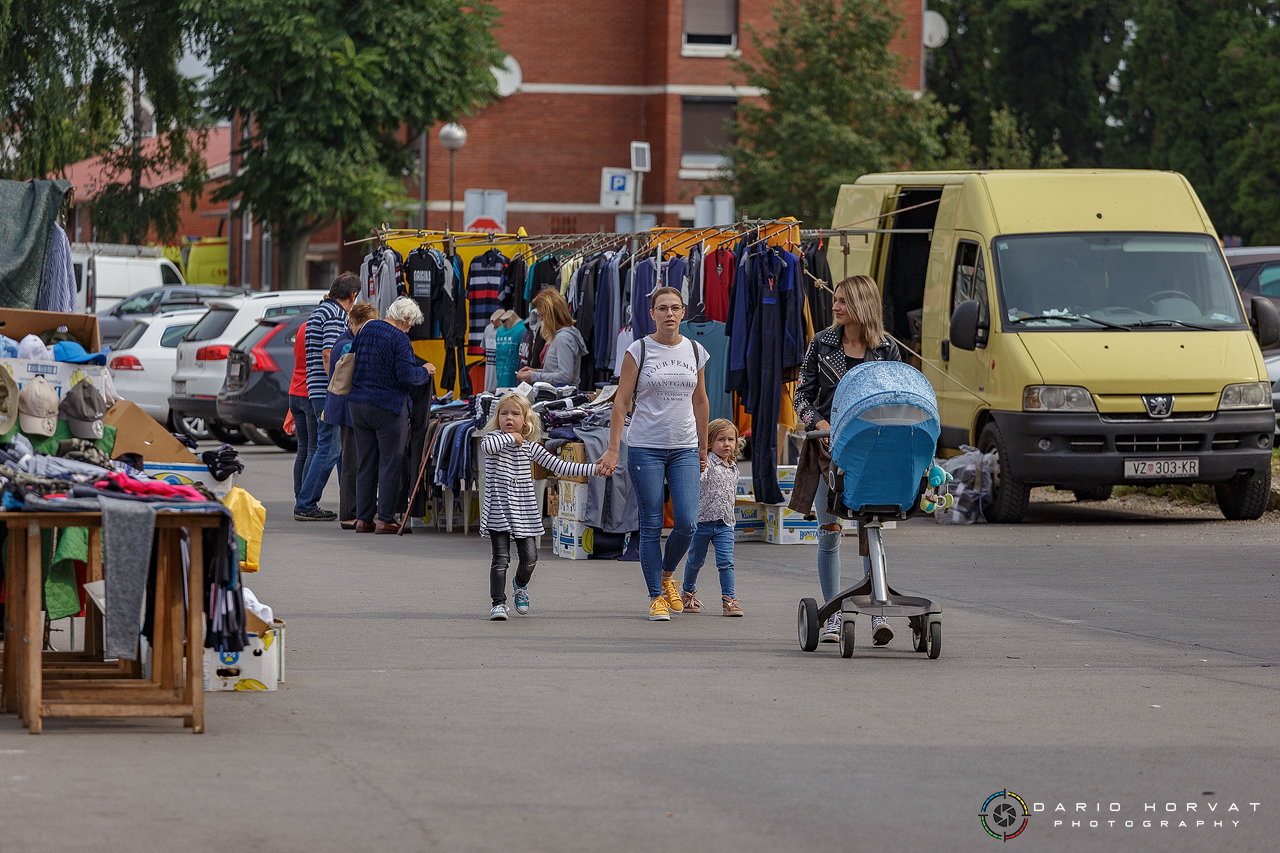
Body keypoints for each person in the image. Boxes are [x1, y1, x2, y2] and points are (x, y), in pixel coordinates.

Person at [793, 274, 901, 645]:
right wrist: (820, 422)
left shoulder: (886, 349)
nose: (835, 306)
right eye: (835, 300)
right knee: (830, 533)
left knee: (871, 532)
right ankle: (834, 613)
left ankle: (878, 612)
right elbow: (801, 398)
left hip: (874, 450)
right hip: (828, 449)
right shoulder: (821, 343)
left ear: (861, 305)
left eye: (842, 301)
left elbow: (897, 395)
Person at [596, 287, 710, 621]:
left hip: (685, 447)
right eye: (662, 309)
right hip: (645, 446)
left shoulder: (695, 350)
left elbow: (700, 400)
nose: (669, 314)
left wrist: (703, 447)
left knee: (688, 522)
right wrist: (614, 448)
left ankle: (666, 574)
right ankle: (655, 596)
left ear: (684, 312)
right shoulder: (639, 349)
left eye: (675, 308)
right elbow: (621, 401)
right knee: (651, 523)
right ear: (652, 313)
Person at [479, 392, 598, 620]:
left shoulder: (531, 447)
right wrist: (512, 438)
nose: (509, 418)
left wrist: (594, 469)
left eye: (515, 414)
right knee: (500, 559)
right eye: (504, 414)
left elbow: (562, 467)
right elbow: (488, 447)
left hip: (524, 510)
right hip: (499, 511)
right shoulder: (494, 439)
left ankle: (520, 585)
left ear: (526, 419)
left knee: (530, 558)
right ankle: (498, 603)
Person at [348, 297, 436, 533]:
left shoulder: (366, 328)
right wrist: (425, 371)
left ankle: (363, 518)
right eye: (410, 325)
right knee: (390, 462)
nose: (409, 329)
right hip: (387, 406)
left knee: (366, 462)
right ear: (405, 319)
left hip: (358, 403)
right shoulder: (399, 338)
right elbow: (407, 376)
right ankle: (385, 518)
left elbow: (353, 358)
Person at [295, 272, 361, 521]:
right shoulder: (335, 315)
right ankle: (306, 503)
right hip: (327, 389)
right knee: (330, 448)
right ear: (353, 296)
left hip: (314, 388)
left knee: (338, 449)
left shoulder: (318, 313)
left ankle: (350, 503)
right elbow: (328, 355)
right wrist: (337, 386)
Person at [681, 418, 745, 617]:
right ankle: (687, 594)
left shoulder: (734, 467)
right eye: (721, 439)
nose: (727, 444)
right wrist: (698, 466)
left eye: (731, 439)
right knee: (695, 561)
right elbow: (696, 481)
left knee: (726, 562)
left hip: (725, 524)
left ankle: (729, 600)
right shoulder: (706, 464)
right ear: (708, 443)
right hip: (702, 522)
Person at [324, 301, 379, 529]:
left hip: (348, 408)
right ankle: (349, 513)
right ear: (352, 323)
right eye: (365, 325)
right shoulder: (348, 345)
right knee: (351, 462)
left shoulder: (348, 341)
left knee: (353, 460)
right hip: (348, 409)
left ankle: (355, 510)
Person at [516, 288, 586, 387]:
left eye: (541, 315)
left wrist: (534, 376)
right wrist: (535, 372)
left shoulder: (563, 339)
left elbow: (565, 376)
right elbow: (555, 370)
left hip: (561, 396)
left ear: (551, 315)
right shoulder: (560, 336)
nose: (540, 319)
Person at [288, 323, 311, 501]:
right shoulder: (324, 326)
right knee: (314, 448)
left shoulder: (302, 327)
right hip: (310, 392)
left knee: (302, 448)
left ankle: (299, 494)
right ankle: (306, 498)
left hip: (295, 390)